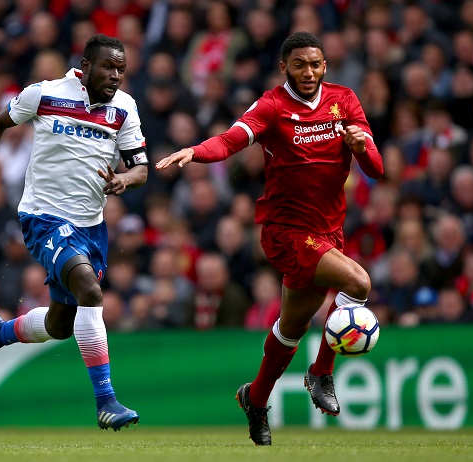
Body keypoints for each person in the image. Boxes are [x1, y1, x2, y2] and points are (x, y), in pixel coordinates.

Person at [156, 31, 383, 446]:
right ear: (285, 67)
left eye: (315, 64)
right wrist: (196, 151)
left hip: (328, 231)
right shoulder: (272, 105)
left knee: (291, 329)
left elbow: (377, 168)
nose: (308, 72)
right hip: (287, 232)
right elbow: (231, 139)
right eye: (299, 64)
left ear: (325, 65)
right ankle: (321, 373)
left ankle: (256, 398)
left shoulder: (344, 100)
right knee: (359, 283)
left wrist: (360, 146)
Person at [0, 34, 148, 432]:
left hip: (91, 227)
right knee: (91, 292)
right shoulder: (45, 94)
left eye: (121, 69)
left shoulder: (125, 108)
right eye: (108, 67)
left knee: (62, 325)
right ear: (86, 65)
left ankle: (0, 331)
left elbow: (141, 167)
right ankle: (106, 401)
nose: (115, 76)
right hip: (43, 218)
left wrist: (124, 180)